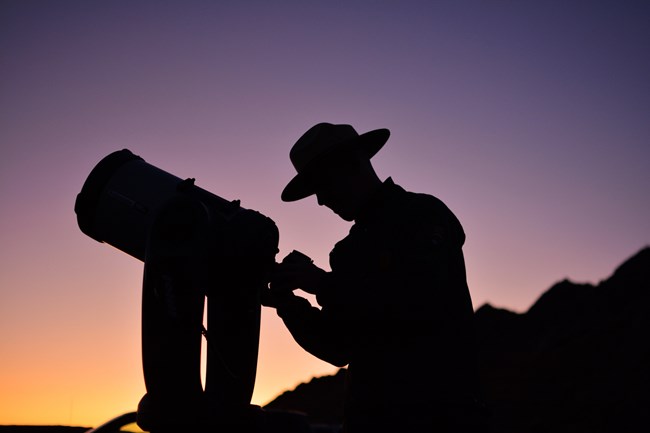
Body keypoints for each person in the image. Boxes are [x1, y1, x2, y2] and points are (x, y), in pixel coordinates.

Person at [265, 122, 489, 433]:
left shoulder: (423, 214)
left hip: (440, 417)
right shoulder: (346, 252)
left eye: (322, 184)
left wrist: (321, 283)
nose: (320, 200)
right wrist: (287, 303)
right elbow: (338, 346)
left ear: (354, 162)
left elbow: (417, 303)